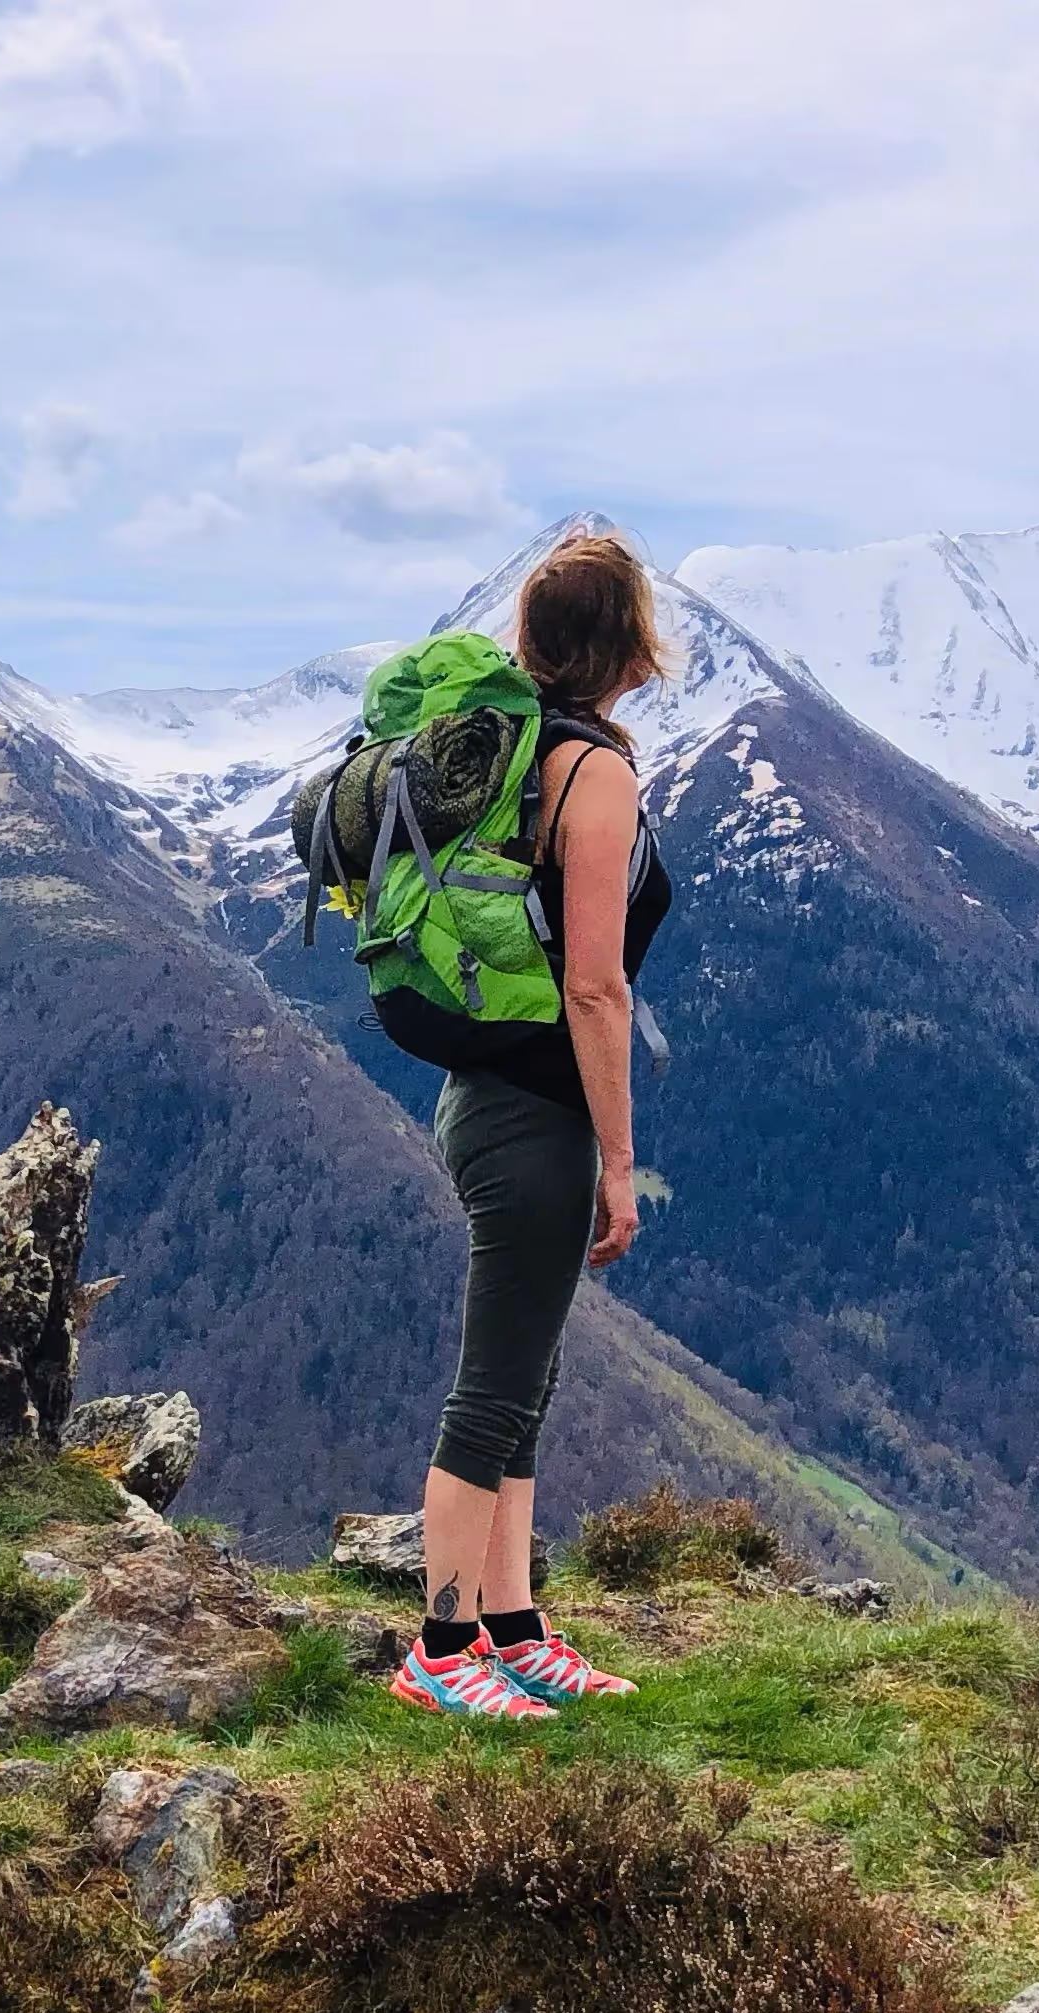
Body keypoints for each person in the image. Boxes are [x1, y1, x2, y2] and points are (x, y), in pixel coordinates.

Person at [382, 530, 676, 1720]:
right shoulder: (593, 775)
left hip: (481, 1098)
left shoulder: (511, 753)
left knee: (527, 1383)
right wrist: (619, 1157)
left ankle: (510, 1627)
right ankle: (438, 1653)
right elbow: (595, 988)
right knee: (494, 1391)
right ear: (627, 644)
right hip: (539, 1117)